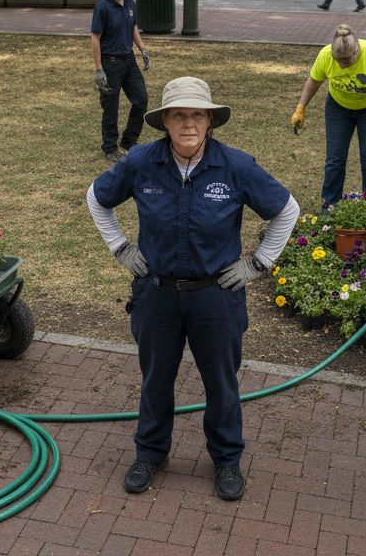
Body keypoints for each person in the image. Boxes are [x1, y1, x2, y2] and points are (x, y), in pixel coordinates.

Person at [87, 76, 300, 501]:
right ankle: (150, 454)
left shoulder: (236, 166)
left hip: (215, 296)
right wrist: (120, 248)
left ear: (209, 121)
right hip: (157, 294)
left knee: (221, 383)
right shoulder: (141, 162)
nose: (189, 124)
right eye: (179, 115)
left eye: (197, 115)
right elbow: (97, 198)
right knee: (155, 380)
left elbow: (286, 210)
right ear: (165, 121)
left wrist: (258, 263)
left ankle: (226, 460)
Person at [290, 24, 366, 206]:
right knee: (335, 159)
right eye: (338, 59)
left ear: (356, 50)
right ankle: (330, 204)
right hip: (338, 108)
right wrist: (301, 107)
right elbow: (314, 81)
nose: (341, 64)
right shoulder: (326, 55)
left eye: (346, 61)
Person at [91, 0, 150, 164]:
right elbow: (95, 38)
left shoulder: (130, 4)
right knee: (111, 107)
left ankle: (129, 140)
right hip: (110, 63)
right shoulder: (103, 8)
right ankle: (109, 148)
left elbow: (133, 28)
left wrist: (142, 50)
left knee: (141, 99)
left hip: (129, 61)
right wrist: (99, 69)